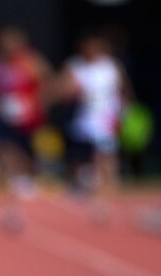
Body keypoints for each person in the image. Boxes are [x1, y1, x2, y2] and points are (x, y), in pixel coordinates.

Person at [0, 26, 51, 232]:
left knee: (25, 160)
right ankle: (10, 205)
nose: (9, 46)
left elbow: (47, 83)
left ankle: (21, 186)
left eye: (14, 42)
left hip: (28, 119)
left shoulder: (32, 62)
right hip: (3, 119)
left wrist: (37, 105)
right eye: (5, 42)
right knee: (6, 156)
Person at [58, 31, 132, 223]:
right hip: (83, 119)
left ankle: (107, 195)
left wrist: (124, 110)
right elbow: (63, 90)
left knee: (105, 157)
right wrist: (73, 90)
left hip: (105, 119)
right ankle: (84, 186)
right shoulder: (76, 66)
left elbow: (124, 89)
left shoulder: (111, 66)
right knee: (79, 158)